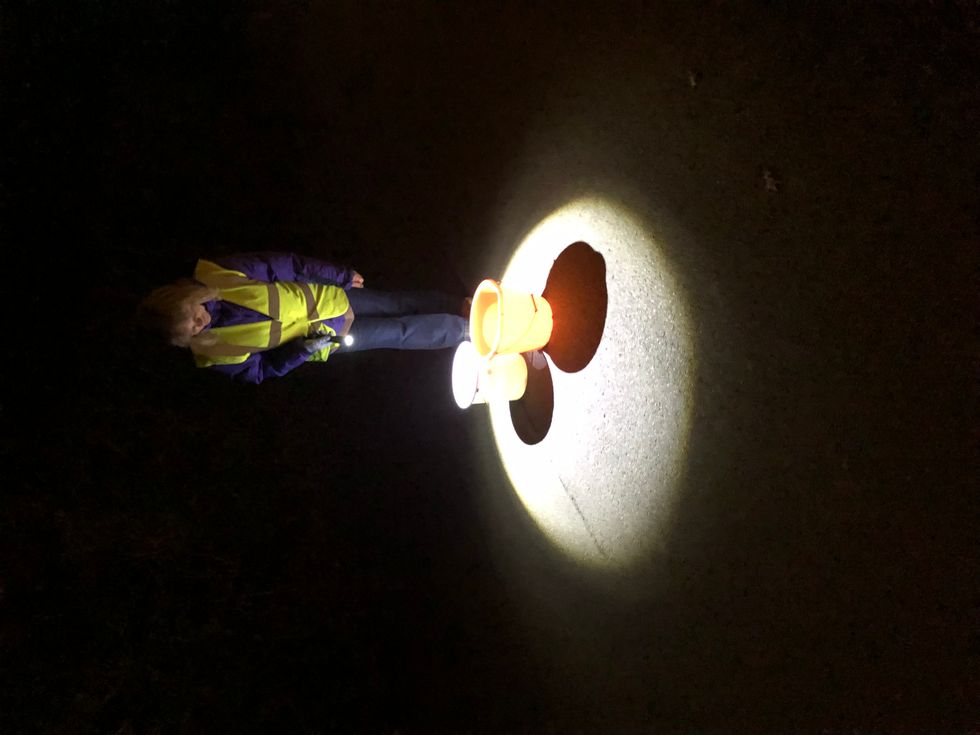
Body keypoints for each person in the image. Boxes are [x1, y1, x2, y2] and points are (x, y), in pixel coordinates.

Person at [138, 251, 471, 384]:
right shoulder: (212, 353)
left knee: (395, 303)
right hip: (326, 341)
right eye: (191, 332)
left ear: (187, 298)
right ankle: (467, 331)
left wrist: (338, 275)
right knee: (398, 334)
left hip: (332, 298)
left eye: (192, 317)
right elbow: (262, 370)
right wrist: (303, 351)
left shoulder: (219, 274)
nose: (200, 325)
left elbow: (285, 265)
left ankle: (460, 305)